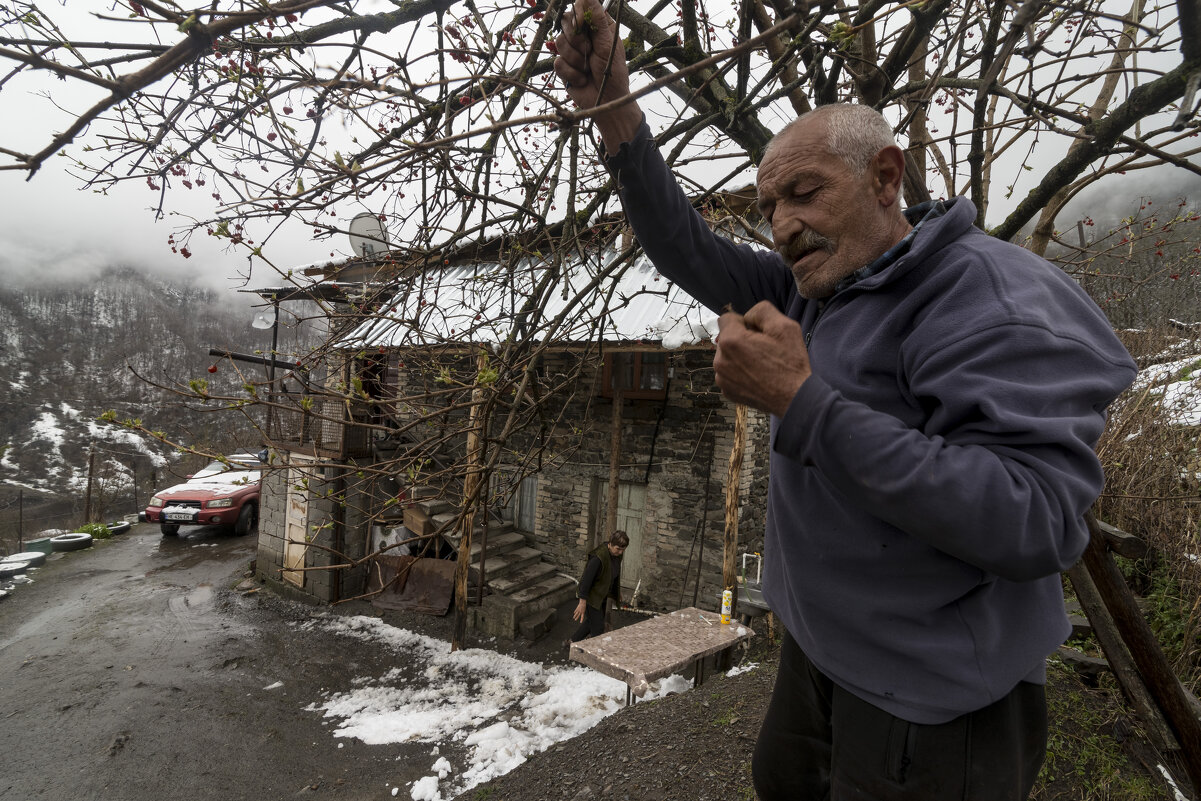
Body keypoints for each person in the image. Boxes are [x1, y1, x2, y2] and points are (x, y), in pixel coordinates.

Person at [553, 4, 1138, 799]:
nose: (783, 226)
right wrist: (612, 110)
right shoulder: (819, 283)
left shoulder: (985, 299)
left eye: (803, 192)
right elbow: (681, 245)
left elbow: (1033, 518)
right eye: (768, 208)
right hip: (820, 649)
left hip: (934, 697)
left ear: (885, 177)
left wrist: (801, 402)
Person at [571, 530, 629, 642]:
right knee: (598, 628)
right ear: (610, 544)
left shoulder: (616, 555)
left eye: (623, 550)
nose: (621, 552)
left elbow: (613, 574)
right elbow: (586, 580)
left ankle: (571, 642)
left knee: (592, 621)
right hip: (591, 597)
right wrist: (582, 602)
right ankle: (592, 653)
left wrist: (617, 591)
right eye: (618, 549)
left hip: (602, 595)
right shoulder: (598, 558)